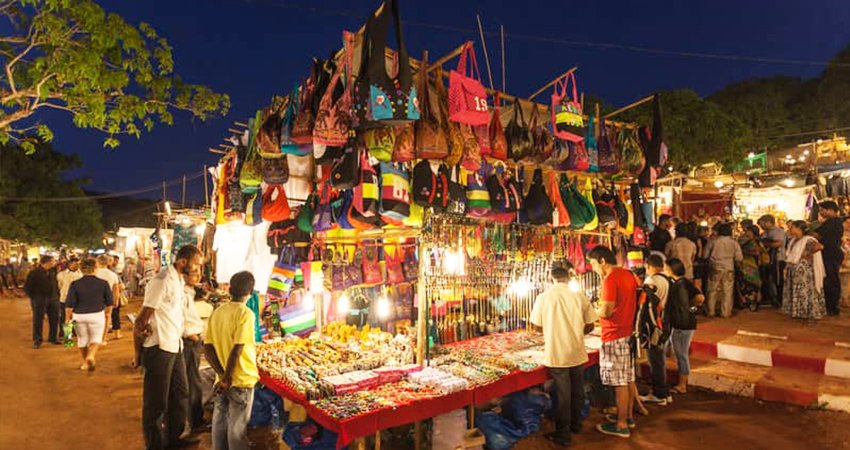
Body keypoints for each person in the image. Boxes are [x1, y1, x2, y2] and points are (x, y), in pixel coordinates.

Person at [134, 245, 204, 450]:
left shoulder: (179, 282)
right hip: (159, 348)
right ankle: (155, 445)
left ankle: (174, 438)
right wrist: (139, 347)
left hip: (175, 346)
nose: (198, 269)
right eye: (196, 264)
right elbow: (142, 317)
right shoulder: (162, 280)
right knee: (156, 403)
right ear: (183, 262)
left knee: (180, 394)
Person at [529, 264, 598, 447]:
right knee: (577, 390)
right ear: (569, 277)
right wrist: (575, 331)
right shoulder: (579, 296)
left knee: (563, 395)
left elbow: (536, 326)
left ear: (552, 278)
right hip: (577, 350)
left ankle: (563, 434)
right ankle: (576, 424)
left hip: (557, 352)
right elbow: (591, 324)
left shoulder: (544, 297)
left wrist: (553, 329)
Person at [204, 271, 259, 450]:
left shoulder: (218, 312)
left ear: (230, 289)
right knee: (237, 427)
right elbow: (237, 349)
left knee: (220, 421)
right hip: (240, 378)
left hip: (222, 379)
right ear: (250, 291)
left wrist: (221, 375)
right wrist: (228, 376)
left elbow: (208, 348)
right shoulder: (246, 314)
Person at [588, 246, 638, 439]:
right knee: (626, 378)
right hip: (626, 332)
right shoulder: (627, 274)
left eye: (593, 263)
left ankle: (621, 424)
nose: (592, 268)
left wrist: (592, 309)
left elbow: (607, 311)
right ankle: (628, 416)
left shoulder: (610, 279)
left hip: (614, 335)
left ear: (602, 261)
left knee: (619, 383)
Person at [64, 258, 113, 371]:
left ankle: (85, 363)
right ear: (95, 269)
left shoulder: (75, 284)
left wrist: (67, 318)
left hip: (79, 315)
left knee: (82, 339)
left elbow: (69, 303)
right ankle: (91, 356)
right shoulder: (103, 283)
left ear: (81, 269)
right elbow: (110, 301)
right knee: (96, 338)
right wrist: (108, 313)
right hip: (97, 315)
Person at [665, 258, 705, 394]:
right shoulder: (682, 282)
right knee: (679, 353)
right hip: (684, 322)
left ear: (671, 270)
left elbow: (700, 298)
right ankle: (681, 382)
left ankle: (682, 384)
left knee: (681, 354)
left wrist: (690, 308)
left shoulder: (681, 284)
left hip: (683, 324)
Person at [638, 254, 672, 406]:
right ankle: (664, 392)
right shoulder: (666, 280)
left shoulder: (651, 281)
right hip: (664, 323)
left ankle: (659, 394)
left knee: (655, 360)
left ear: (648, 266)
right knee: (659, 359)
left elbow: (644, 306)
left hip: (653, 325)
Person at [783, 221, 827, 320]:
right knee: (797, 291)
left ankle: (807, 313)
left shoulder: (808, 240)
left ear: (799, 229)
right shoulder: (793, 240)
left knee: (805, 291)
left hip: (804, 271)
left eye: (792, 227)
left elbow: (819, 246)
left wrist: (804, 255)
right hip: (794, 268)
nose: (790, 230)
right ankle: (798, 312)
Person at [183, 268, 208, 433]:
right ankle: (194, 421)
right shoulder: (182, 294)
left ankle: (192, 419)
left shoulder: (186, 293)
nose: (198, 275)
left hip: (191, 341)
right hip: (190, 342)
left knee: (191, 381)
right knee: (193, 382)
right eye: (194, 272)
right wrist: (195, 338)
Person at [703, 223, 743, 318]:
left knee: (712, 290)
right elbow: (739, 258)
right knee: (727, 290)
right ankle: (725, 312)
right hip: (729, 267)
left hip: (715, 267)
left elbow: (705, 255)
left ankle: (711, 311)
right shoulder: (734, 243)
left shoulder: (713, 241)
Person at [23, 255, 61, 348]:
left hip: (53, 298)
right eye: (52, 261)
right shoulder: (34, 273)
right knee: (38, 319)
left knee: (54, 318)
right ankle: (37, 340)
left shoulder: (53, 272)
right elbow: (27, 287)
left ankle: (53, 337)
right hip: (40, 299)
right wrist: (34, 297)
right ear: (47, 262)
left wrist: (56, 295)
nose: (54, 263)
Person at [815, 201, 843, 316]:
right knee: (831, 279)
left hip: (830, 255)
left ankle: (832, 306)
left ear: (830, 210)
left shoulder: (832, 222)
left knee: (830, 280)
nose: (820, 212)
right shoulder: (833, 222)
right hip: (831, 254)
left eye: (822, 210)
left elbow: (817, 235)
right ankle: (831, 305)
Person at [758, 215, 787, 306]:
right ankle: (769, 297)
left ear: (768, 222)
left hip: (777, 259)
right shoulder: (764, 233)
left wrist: (765, 244)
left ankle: (779, 298)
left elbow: (778, 244)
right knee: (767, 279)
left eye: (762, 223)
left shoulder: (778, 232)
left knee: (776, 279)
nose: (761, 226)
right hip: (767, 260)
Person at [95, 254, 122, 341]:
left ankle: (68, 340)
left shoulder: (93, 273)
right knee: (107, 317)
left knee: (96, 318)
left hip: (94, 298)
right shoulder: (112, 274)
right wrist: (116, 300)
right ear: (107, 263)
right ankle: (103, 338)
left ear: (97, 262)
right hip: (107, 297)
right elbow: (116, 289)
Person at [738, 225, 767, 304]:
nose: (746, 233)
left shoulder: (752, 242)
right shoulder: (758, 241)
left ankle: (751, 299)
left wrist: (744, 252)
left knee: (750, 282)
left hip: (750, 264)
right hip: (754, 264)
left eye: (748, 232)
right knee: (751, 282)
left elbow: (757, 253)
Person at [57, 257, 83, 340]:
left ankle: (73, 333)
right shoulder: (61, 275)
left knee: (75, 317)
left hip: (78, 299)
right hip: (65, 298)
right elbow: (59, 286)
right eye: (75, 264)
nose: (77, 265)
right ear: (69, 264)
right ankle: (66, 335)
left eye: (78, 264)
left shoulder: (81, 274)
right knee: (65, 317)